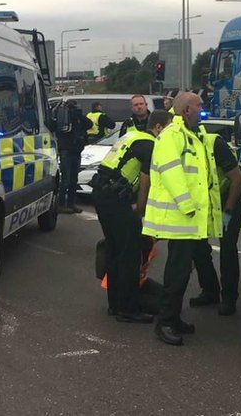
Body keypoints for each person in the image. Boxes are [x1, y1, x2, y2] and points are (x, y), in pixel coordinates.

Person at [143, 92, 220, 346]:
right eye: (199, 106)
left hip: (188, 220)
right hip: (180, 217)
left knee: (183, 271)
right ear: (186, 110)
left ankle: (173, 318)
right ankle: (165, 321)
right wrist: (187, 205)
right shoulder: (172, 136)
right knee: (177, 272)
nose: (203, 110)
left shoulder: (192, 135)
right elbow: (171, 172)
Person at [93, 110, 173, 323]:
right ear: (158, 128)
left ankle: (115, 305)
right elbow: (145, 181)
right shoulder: (151, 145)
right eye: (169, 127)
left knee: (114, 251)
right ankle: (128, 309)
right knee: (129, 256)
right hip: (116, 200)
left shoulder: (132, 136)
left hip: (102, 194)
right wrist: (141, 208)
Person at [188, 127, 241, 316]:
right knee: (198, 246)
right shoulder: (179, 146)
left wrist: (228, 210)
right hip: (207, 202)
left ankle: (229, 298)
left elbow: (237, 179)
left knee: (227, 247)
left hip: (229, 199)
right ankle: (210, 290)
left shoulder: (214, 143)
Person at [55, 100, 91, 214]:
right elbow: (58, 128)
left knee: (73, 179)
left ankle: (71, 204)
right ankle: (61, 204)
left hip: (76, 150)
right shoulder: (63, 117)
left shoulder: (78, 118)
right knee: (65, 179)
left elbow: (89, 124)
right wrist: (67, 113)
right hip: (66, 150)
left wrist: (79, 115)